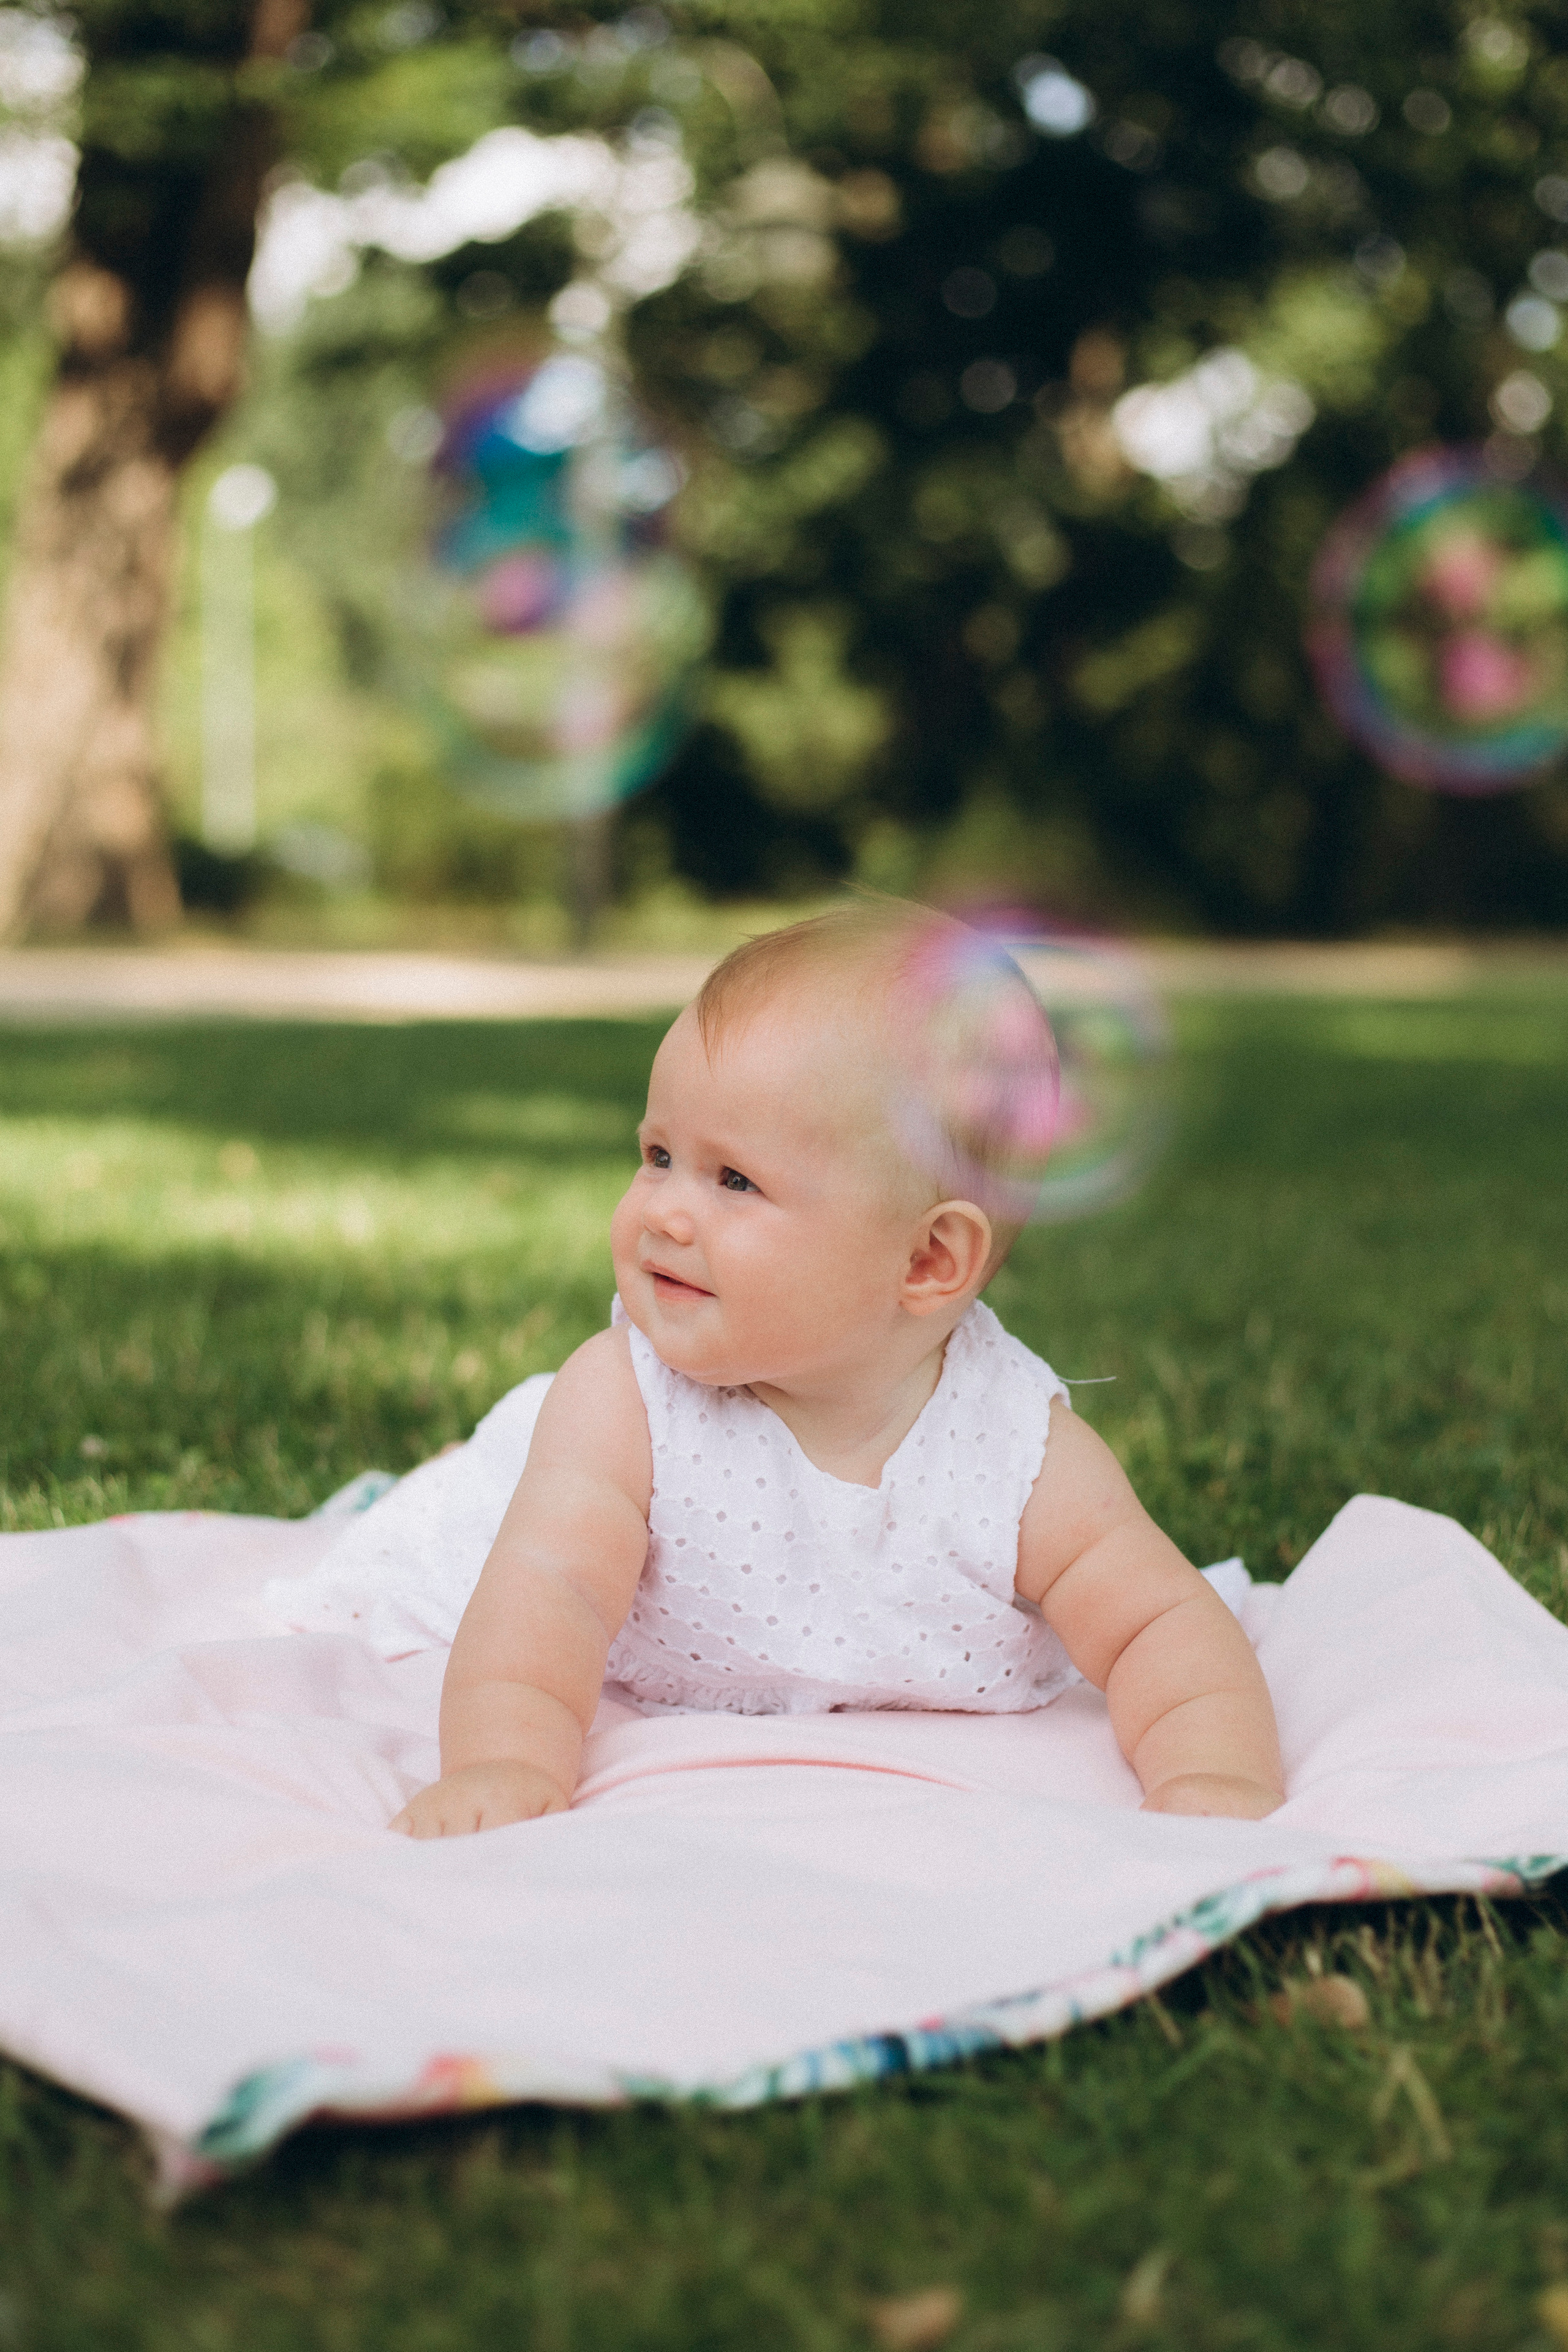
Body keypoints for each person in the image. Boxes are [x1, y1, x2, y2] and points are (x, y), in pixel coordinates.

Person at [391, 902, 1283, 1839]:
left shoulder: (1011, 1450)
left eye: (734, 1180)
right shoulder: (622, 1400)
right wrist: (505, 1760)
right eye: (659, 1157)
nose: (664, 1213)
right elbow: (550, 1594)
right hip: (574, 1542)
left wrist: (1212, 1777)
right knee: (487, 1504)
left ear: (928, 1262)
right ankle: (466, 1467)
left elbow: (1158, 1625)